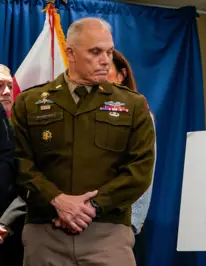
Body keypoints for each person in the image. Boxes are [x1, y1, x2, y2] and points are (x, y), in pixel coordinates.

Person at [10, 17, 155, 266]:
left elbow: (140, 171)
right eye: (95, 52)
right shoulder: (29, 102)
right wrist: (57, 200)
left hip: (107, 233)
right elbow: (19, 163)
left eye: (109, 52)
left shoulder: (133, 105)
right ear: (71, 53)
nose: (105, 60)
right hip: (45, 231)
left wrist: (91, 207)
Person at [107, 49, 156, 235]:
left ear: (121, 75)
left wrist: (133, 223)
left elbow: (143, 172)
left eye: (107, 68)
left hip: (119, 222)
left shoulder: (138, 114)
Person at [0, 64, 23, 266]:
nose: (7, 92)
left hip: (15, 228)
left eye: (9, 85)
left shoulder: (26, 128)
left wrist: (6, 222)